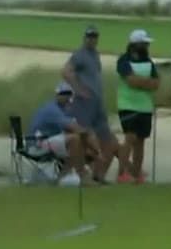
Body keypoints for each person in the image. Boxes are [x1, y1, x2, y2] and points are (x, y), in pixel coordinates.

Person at [62, 25, 118, 183]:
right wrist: (78, 89)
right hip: (84, 103)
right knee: (84, 137)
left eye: (94, 37)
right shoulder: (79, 55)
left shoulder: (95, 55)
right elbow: (66, 71)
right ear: (84, 38)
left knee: (106, 137)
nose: (91, 40)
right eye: (89, 37)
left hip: (98, 102)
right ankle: (81, 173)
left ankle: (99, 175)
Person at [26, 81, 99, 186]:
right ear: (57, 95)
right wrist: (96, 150)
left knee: (81, 143)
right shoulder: (52, 110)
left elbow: (76, 129)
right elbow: (77, 129)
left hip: (47, 142)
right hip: (37, 145)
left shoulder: (62, 110)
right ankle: (78, 176)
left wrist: (91, 147)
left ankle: (74, 177)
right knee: (75, 140)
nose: (66, 97)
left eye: (69, 94)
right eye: (63, 94)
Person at [114, 28, 159, 184]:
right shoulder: (124, 60)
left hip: (145, 107)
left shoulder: (149, 62)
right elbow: (130, 81)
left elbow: (156, 84)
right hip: (127, 105)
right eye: (144, 44)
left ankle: (137, 173)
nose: (147, 46)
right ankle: (122, 173)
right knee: (130, 138)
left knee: (140, 141)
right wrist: (146, 82)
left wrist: (141, 81)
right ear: (135, 44)